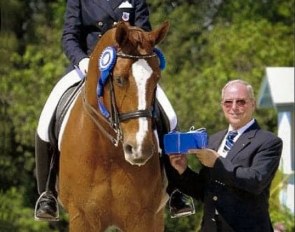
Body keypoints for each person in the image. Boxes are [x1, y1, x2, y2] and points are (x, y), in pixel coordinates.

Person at [34, 0, 194, 221]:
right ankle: (47, 193)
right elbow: (69, 36)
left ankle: (176, 190)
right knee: (47, 117)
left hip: (129, 65)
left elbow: (144, 33)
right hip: (87, 66)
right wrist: (83, 61)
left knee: (170, 114)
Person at [169, 79, 283, 231]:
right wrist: (183, 170)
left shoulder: (269, 141)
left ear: (253, 104)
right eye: (228, 102)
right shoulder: (214, 139)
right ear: (222, 105)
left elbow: (256, 181)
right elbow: (204, 192)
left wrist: (217, 163)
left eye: (241, 102)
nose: (234, 107)